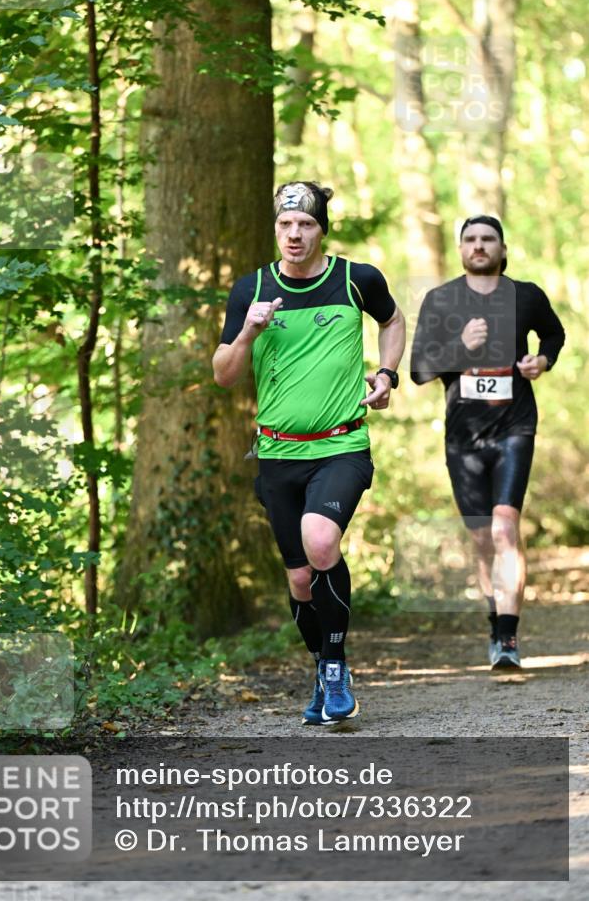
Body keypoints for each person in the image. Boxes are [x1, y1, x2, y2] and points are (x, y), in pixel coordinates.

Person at [212, 181, 405, 724]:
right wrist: (248, 333)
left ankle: (337, 667)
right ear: (275, 229)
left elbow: (392, 320)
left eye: (306, 224)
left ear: (322, 230)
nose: (294, 234)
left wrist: (387, 374)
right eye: (285, 224)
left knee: (321, 542)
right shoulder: (251, 290)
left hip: (342, 444)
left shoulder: (357, 280)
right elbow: (223, 374)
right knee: (299, 579)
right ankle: (322, 665)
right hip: (278, 454)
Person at [410, 215, 565, 669]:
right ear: (461, 250)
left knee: (503, 528)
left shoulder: (526, 295)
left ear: (502, 248)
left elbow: (554, 334)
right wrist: (460, 346)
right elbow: (418, 371)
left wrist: (543, 360)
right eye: (471, 239)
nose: (479, 246)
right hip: (463, 437)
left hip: (515, 426)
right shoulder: (441, 300)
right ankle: (495, 622)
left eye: (488, 239)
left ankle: (509, 638)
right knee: (481, 538)